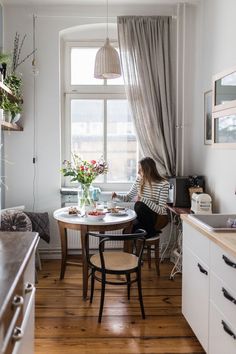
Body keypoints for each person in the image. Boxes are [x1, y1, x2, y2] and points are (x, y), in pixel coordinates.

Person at [112, 157, 169, 238]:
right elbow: (128, 197)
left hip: (157, 218)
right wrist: (117, 196)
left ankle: (147, 232)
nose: (138, 172)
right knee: (126, 231)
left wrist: (143, 200)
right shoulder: (139, 180)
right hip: (143, 218)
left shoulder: (163, 184)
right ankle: (148, 232)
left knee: (139, 205)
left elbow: (161, 210)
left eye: (140, 170)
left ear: (148, 170)